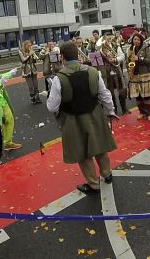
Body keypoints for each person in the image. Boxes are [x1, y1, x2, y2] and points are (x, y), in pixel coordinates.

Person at [46, 42, 117, 194]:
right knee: (100, 145)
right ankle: (107, 173)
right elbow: (105, 94)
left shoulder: (59, 78)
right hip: (95, 113)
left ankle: (93, 184)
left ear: (62, 57)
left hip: (73, 118)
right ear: (78, 55)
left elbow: (52, 107)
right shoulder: (93, 71)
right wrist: (110, 111)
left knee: (82, 152)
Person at [127, 33, 150, 122]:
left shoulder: (145, 48)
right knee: (138, 96)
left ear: (141, 41)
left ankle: (148, 114)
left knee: (146, 96)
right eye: (134, 39)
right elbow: (127, 61)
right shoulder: (129, 49)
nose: (136, 41)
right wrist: (129, 65)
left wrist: (139, 59)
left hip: (145, 75)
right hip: (134, 75)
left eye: (138, 40)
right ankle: (141, 112)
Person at [100, 31, 129, 115]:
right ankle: (113, 110)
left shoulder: (116, 46)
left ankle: (124, 109)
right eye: (106, 36)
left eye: (110, 36)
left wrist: (115, 59)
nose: (108, 38)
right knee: (110, 92)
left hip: (116, 69)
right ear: (104, 38)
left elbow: (122, 56)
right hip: (107, 71)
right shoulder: (101, 48)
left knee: (122, 90)